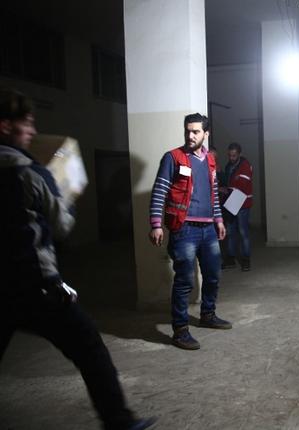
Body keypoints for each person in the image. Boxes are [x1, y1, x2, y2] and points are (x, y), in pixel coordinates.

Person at [0, 88, 155, 430]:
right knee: (90, 350)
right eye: (26, 124)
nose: (33, 132)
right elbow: (62, 226)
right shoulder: (31, 173)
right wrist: (68, 193)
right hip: (34, 284)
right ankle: (119, 421)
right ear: (5, 125)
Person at [149, 113, 232, 350]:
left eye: (196, 131)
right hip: (184, 229)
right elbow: (159, 191)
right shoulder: (173, 158)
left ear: (206, 134)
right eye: (188, 131)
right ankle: (180, 330)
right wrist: (156, 224)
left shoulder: (210, 160)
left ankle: (208, 315)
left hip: (208, 229)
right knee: (184, 280)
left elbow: (213, 193)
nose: (190, 135)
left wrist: (219, 219)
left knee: (213, 275)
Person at [219, 142, 253, 271]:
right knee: (231, 232)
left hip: (242, 203)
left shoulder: (245, 165)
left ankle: (246, 260)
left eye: (234, 155)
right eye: (229, 155)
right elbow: (231, 183)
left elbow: (242, 185)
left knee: (243, 232)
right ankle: (231, 260)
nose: (231, 158)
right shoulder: (229, 166)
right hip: (231, 202)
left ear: (240, 154)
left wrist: (226, 190)